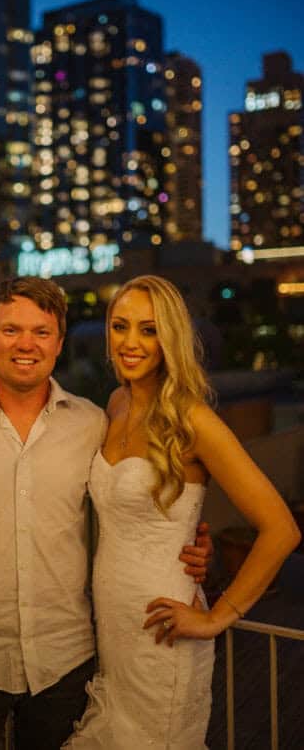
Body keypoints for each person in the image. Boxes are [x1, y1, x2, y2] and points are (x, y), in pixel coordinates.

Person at [0, 276, 212, 750]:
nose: (26, 344)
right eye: (11, 330)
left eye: (41, 332)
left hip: (65, 661)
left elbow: (132, 503)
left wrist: (185, 545)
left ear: (59, 343)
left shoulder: (92, 422)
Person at [63, 275, 300, 749]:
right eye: (121, 326)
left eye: (148, 330)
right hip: (112, 630)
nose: (131, 342)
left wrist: (218, 617)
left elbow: (281, 529)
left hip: (164, 633)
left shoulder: (194, 419)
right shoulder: (116, 403)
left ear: (170, 338)